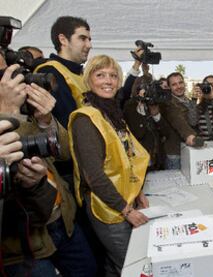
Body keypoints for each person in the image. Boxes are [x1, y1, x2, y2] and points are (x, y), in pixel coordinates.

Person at [0, 64, 96, 276]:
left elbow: (63, 152)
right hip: (23, 243)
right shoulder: (9, 108)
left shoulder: (26, 111)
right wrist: (5, 112)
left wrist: (45, 120)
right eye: (4, 76)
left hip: (63, 219)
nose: (11, 82)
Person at [68, 55, 150, 275]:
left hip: (123, 200)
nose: (108, 81)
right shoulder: (86, 119)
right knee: (131, 266)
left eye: (113, 76)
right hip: (108, 209)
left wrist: (138, 191)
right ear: (89, 80)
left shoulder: (110, 113)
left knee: (115, 265)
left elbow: (127, 157)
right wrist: (127, 210)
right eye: (100, 75)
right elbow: (93, 177)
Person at [159, 72, 198, 169]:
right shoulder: (167, 103)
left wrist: (194, 101)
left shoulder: (188, 100)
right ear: (169, 88)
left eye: (180, 83)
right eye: (174, 84)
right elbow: (178, 120)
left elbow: (194, 121)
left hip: (189, 150)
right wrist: (190, 136)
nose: (178, 86)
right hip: (175, 154)